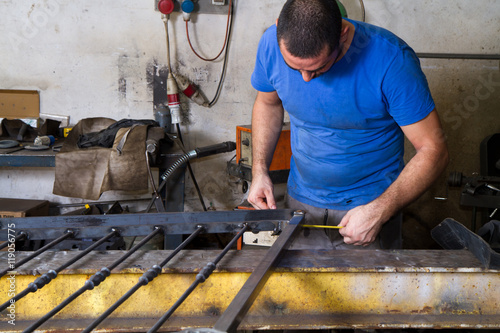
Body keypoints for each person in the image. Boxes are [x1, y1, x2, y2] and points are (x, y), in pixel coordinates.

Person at [247, 0, 449, 250]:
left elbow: (434, 150)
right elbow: (268, 104)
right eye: (294, 67)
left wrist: (380, 210)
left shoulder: (391, 60)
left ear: (342, 35)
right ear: (278, 28)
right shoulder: (270, 43)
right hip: (300, 202)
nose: (305, 79)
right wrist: (259, 171)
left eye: (318, 67)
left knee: (369, 290)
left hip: (369, 209)